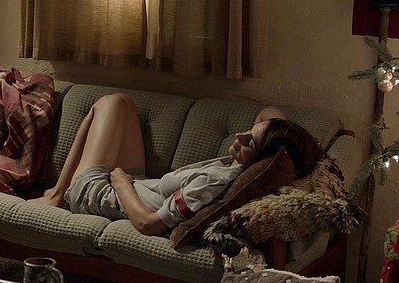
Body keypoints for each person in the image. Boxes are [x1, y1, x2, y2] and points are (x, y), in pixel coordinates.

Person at [30, 94, 324, 235]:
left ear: (262, 159)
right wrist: (291, 142)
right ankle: (57, 193)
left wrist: (120, 184)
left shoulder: (211, 186)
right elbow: (268, 112)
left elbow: (148, 224)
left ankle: (59, 195)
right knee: (122, 103)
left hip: (103, 195)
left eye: (251, 142)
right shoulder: (245, 165)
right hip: (140, 184)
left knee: (106, 105)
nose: (239, 136)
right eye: (249, 132)